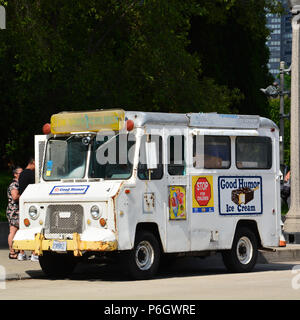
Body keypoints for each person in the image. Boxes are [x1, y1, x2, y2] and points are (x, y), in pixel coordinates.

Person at [17, 157, 39, 261]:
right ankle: (34, 253)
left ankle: (21, 253)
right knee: (34, 228)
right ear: (33, 162)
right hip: (32, 204)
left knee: (22, 228)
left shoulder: (21, 174)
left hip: (23, 203)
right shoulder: (32, 175)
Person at [6, 166, 23, 259]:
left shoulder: (18, 183)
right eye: (20, 173)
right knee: (13, 231)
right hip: (14, 211)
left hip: (17, 210)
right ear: (15, 174)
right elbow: (15, 197)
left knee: (18, 231)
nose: (22, 175)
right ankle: (12, 252)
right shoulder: (14, 184)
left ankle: (19, 251)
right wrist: (25, 195)